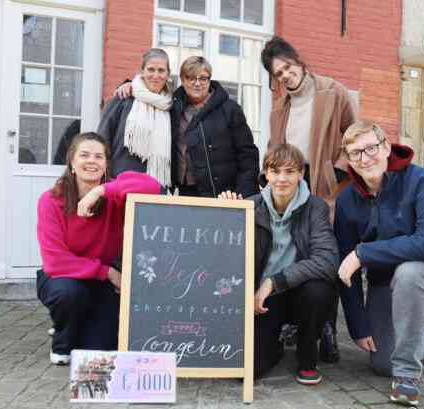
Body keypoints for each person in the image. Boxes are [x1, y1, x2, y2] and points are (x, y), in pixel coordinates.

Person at [335, 120, 424, 406]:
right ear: (349, 160)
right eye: (356, 153)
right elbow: (346, 271)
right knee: (382, 362)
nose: (365, 158)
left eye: (371, 148)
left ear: (386, 147)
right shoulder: (346, 201)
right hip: (384, 281)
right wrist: (358, 325)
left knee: (410, 273)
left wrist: (363, 253)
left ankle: (407, 376)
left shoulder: (420, 180)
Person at [261, 35, 358, 363]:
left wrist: (337, 174)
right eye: (278, 75)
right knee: (299, 256)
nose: (286, 76)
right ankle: (300, 324)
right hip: (293, 190)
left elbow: (353, 135)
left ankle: (327, 330)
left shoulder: (334, 92)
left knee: (331, 258)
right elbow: (275, 150)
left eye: (288, 68)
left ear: (299, 63)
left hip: (328, 191)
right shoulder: (279, 108)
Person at [36, 132, 161, 365]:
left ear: (106, 165)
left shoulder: (114, 196)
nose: (91, 161)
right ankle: (63, 338)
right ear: (72, 162)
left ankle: (83, 327)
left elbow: (153, 187)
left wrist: (100, 191)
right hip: (63, 278)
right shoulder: (51, 200)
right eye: (84, 155)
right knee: (69, 294)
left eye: (98, 157)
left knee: (103, 351)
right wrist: (109, 273)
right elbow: (55, 262)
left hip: (101, 285)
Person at [220, 144, 339, 385]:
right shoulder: (250, 207)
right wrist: (224, 213)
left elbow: (327, 260)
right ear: (266, 173)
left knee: (318, 289)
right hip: (262, 301)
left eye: (290, 171)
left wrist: (273, 282)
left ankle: (307, 356)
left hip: (299, 291)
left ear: (300, 175)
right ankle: (276, 342)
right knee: (245, 371)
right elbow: (223, 256)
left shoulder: (315, 207)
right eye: (275, 171)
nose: (282, 179)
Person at [114, 55, 260, 198]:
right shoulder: (172, 105)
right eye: (191, 77)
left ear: (210, 79)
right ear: (183, 80)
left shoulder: (230, 110)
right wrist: (130, 85)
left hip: (223, 193)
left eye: (203, 78)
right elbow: (152, 94)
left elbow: (247, 154)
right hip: (185, 191)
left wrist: (243, 193)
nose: (197, 83)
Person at [97, 48, 176, 188]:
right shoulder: (123, 98)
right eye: (151, 69)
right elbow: (102, 139)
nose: (156, 75)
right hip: (120, 184)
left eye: (161, 70)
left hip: (156, 186)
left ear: (168, 74)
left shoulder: (172, 105)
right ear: (142, 71)